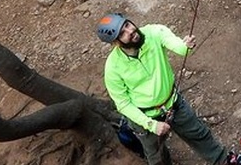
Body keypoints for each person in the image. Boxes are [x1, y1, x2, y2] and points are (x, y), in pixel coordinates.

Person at [96, 13, 234, 164]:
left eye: (127, 25)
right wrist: (151, 125)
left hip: (173, 103)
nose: (130, 31)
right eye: (122, 33)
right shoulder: (113, 67)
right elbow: (123, 103)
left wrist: (185, 46)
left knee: (198, 134)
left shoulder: (154, 32)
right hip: (144, 117)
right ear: (116, 43)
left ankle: (224, 161)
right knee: (157, 157)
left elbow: (177, 45)